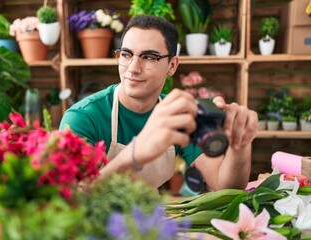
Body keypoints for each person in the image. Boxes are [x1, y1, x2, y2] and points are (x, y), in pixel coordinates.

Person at [60, 14, 258, 191]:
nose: (133, 68)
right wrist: (134, 154)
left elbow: (225, 188)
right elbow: (71, 198)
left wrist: (240, 144)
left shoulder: (178, 116)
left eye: (148, 57)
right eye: (127, 55)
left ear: (171, 65)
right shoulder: (83, 118)